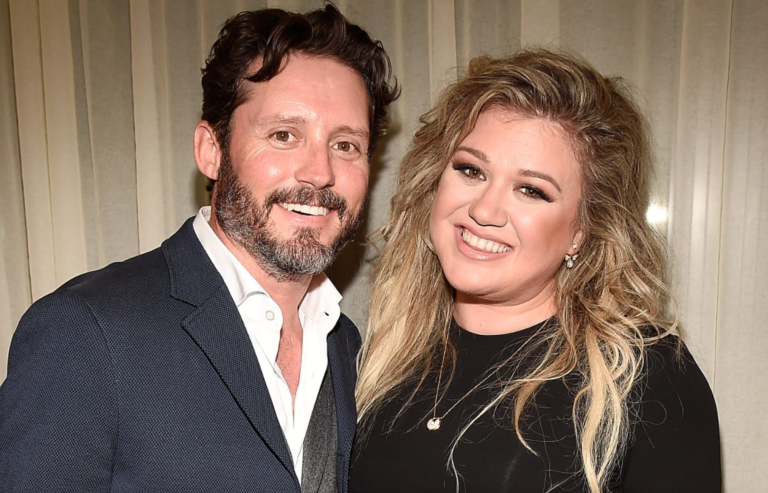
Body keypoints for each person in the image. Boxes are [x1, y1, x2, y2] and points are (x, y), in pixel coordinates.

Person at [0, 5, 397, 493]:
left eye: (346, 145)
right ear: (212, 150)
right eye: (284, 135)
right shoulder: (88, 333)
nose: (320, 172)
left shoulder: (348, 346)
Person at [349, 50, 720, 492]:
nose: (484, 210)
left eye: (531, 190)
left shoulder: (649, 379)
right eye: (471, 170)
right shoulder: (379, 355)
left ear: (581, 230)